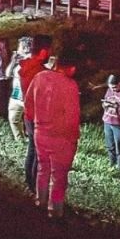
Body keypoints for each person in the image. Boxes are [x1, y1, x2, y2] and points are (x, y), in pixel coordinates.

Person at [23, 51, 81, 219]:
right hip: (61, 138)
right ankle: (55, 210)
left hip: (40, 132)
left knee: (43, 169)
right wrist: (73, 139)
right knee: (59, 178)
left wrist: (34, 124)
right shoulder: (70, 86)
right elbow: (72, 117)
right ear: (71, 68)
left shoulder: (39, 77)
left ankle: (40, 201)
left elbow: (28, 104)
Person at [18, 34, 53, 192]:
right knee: (40, 155)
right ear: (44, 52)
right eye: (50, 51)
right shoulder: (39, 72)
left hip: (29, 115)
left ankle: (31, 185)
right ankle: (36, 189)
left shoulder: (26, 67)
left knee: (33, 150)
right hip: (39, 118)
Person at [5, 36, 33, 141]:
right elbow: (7, 74)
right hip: (15, 96)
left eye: (19, 47)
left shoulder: (32, 61)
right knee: (13, 119)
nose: (17, 49)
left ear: (26, 49)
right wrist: (13, 61)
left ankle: (32, 141)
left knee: (31, 121)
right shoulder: (18, 61)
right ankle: (20, 140)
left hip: (27, 97)